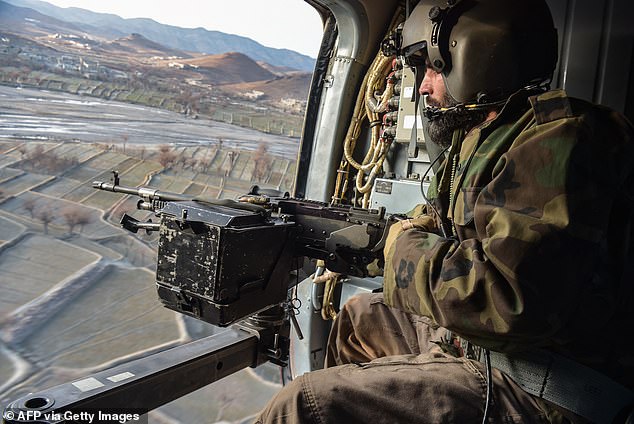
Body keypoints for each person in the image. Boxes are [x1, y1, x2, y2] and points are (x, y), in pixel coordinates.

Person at [256, 0, 634, 422]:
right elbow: (461, 222)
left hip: (545, 386)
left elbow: (508, 299)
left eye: (431, 67)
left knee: (303, 405)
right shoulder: (489, 137)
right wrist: (411, 228)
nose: (422, 86)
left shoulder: (565, 139)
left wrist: (401, 248)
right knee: (361, 318)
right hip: (496, 352)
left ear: (476, 55)